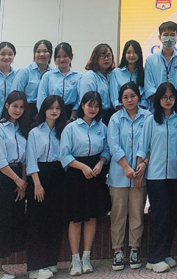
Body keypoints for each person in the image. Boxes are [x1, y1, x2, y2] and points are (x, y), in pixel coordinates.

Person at [60, 91, 110, 276]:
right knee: (76, 218)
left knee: (91, 217)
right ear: (82, 106)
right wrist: (82, 167)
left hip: (95, 174)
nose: (93, 109)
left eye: (96, 106)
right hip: (76, 174)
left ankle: (86, 258)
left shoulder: (102, 127)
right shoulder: (71, 128)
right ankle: (75, 260)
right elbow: (64, 155)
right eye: (90, 105)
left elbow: (107, 150)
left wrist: (101, 163)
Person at [138, 82, 177, 273]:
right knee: (159, 215)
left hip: (174, 174)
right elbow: (143, 147)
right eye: (164, 97)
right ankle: (154, 257)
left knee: (171, 215)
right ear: (158, 99)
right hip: (155, 175)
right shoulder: (150, 120)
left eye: (171, 97)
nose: (168, 100)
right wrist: (140, 169)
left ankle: (165, 253)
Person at [0, 91, 30, 278]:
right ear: (6, 106)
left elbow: (25, 160)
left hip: (17, 178)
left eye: (21, 107)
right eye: (14, 106)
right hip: (2, 179)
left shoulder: (21, 129)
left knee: (8, 224)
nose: (18, 110)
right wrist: (17, 180)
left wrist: (22, 183)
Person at [107, 83, 148, 272]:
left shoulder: (147, 117)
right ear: (120, 100)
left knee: (137, 213)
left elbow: (147, 143)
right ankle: (117, 250)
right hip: (119, 175)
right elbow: (113, 145)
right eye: (125, 97)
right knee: (118, 214)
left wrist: (141, 167)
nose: (130, 100)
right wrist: (126, 167)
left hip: (140, 173)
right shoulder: (115, 119)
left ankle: (134, 249)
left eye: (133, 96)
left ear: (139, 96)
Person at [26, 95, 68, 279]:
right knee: (37, 222)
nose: (54, 111)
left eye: (58, 108)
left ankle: (51, 261)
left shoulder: (63, 131)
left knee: (55, 220)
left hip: (58, 175)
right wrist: (37, 184)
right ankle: (36, 267)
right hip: (39, 175)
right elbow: (31, 159)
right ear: (44, 109)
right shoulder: (35, 132)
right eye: (51, 108)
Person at [144, 21, 177, 109]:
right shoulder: (151, 60)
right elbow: (149, 87)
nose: (169, 38)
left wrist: (172, 98)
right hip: (156, 106)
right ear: (160, 37)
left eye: (172, 35)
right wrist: (162, 99)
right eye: (166, 35)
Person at [37, 43, 81, 117]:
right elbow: (41, 98)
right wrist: (43, 115)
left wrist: (73, 115)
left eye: (65, 56)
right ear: (54, 59)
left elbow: (79, 99)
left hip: (71, 114)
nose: (62, 59)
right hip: (51, 112)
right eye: (58, 56)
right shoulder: (47, 76)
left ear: (71, 56)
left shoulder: (79, 77)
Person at [15, 39, 53, 124]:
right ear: (34, 54)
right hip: (27, 111)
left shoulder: (53, 74)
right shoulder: (24, 72)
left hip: (48, 112)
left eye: (45, 51)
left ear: (50, 54)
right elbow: (16, 95)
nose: (41, 54)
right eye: (38, 51)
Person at [79, 43, 115, 124]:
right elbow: (86, 101)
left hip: (112, 114)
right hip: (96, 114)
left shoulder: (113, 74)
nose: (106, 59)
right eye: (102, 56)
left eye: (109, 56)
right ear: (96, 58)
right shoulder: (89, 76)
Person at [110, 40, 145, 111]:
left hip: (140, 112)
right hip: (121, 112)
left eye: (135, 52)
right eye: (128, 52)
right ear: (124, 54)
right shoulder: (116, 73)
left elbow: (145, 99)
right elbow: (114, 98)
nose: (131, 55)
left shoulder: (144, 72)